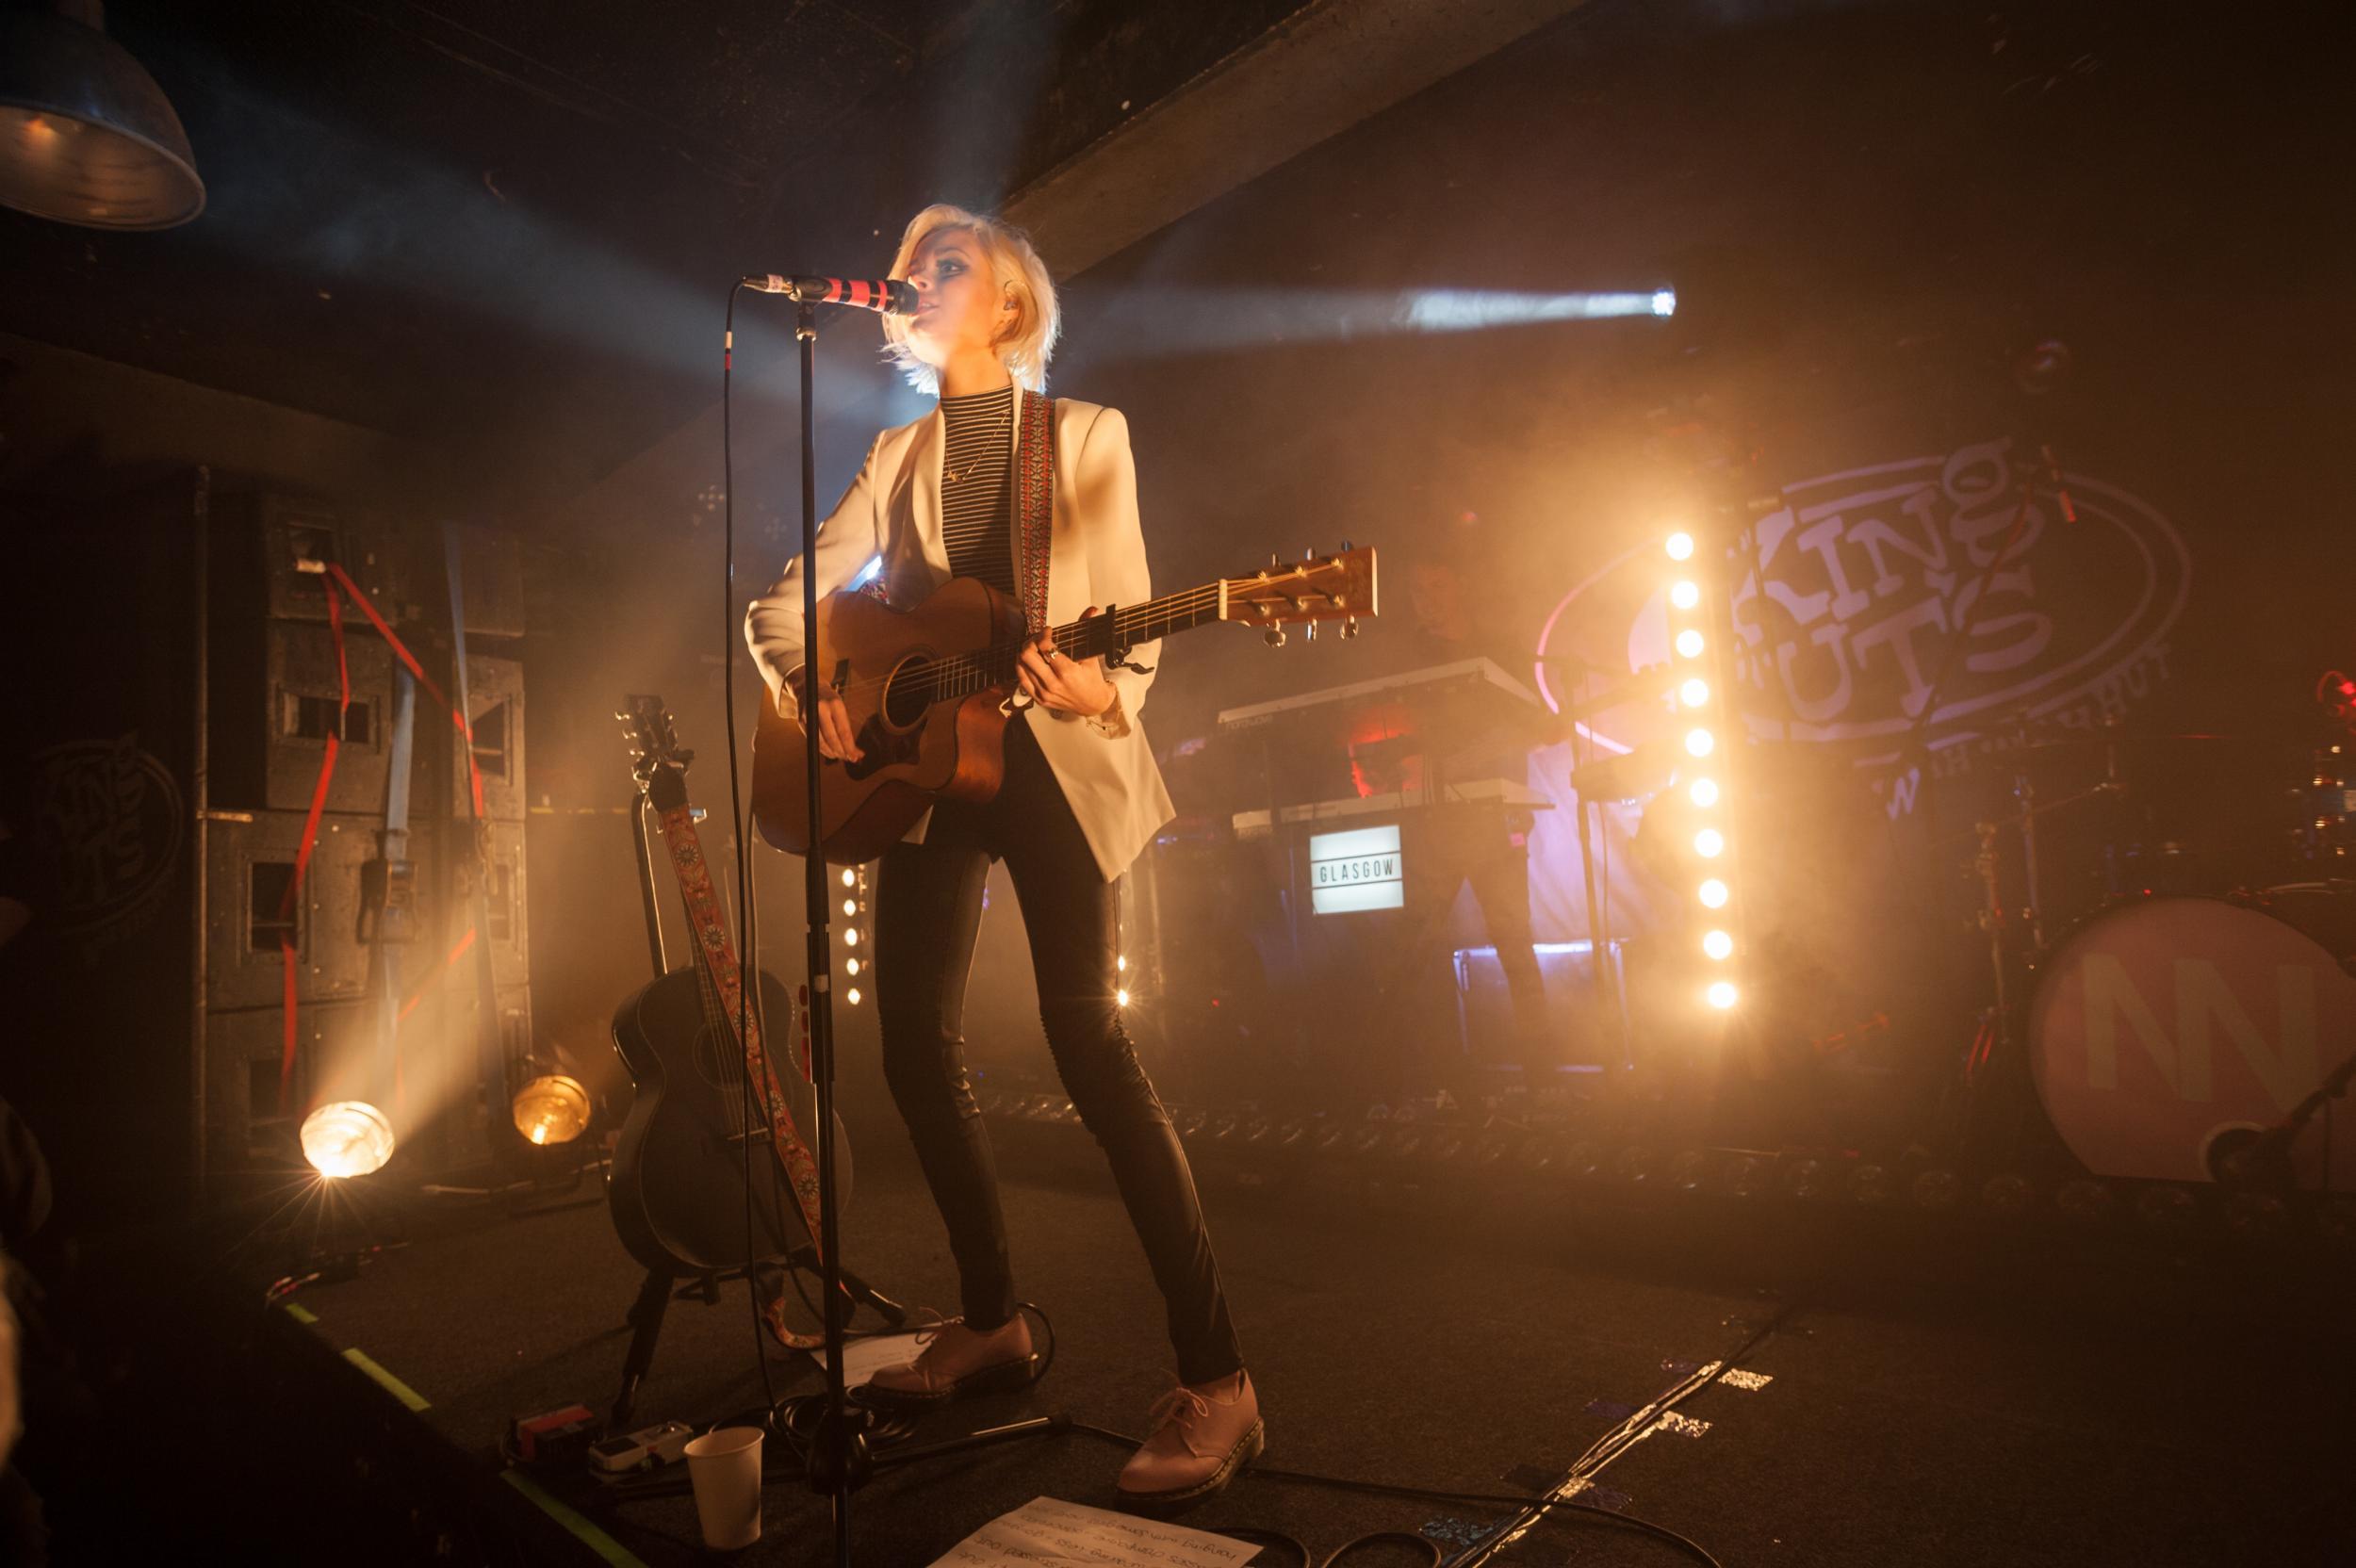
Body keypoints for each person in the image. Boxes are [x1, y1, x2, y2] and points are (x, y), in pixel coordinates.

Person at [744, 204, 1259, 1506]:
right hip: (927, 774)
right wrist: (816, 688)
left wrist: (1103, 687)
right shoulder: (896, 453)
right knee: (910, 1047)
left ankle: (1221, 1379)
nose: (912, 280)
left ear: (1011, 304)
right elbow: (784, 606)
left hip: (1054, 760)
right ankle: (993, 1322)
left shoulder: (1084, 435)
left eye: (945, 264)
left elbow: (1130, 613)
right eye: (907, 268)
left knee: (1090, 1044)